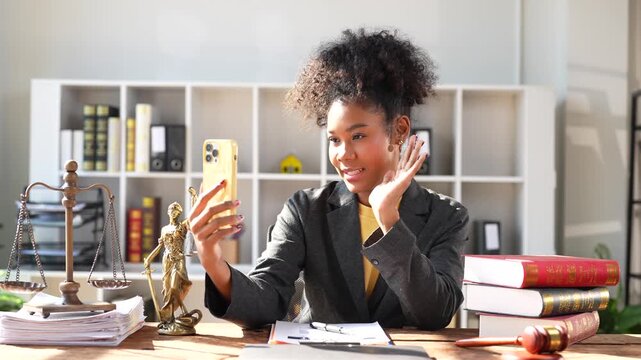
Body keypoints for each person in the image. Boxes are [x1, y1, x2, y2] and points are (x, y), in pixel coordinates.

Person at [188, 28, 470, 330]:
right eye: (334, 140)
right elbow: (267, 300)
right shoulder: (305, 209)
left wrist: (389, 221)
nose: (343, 154)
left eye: (358, 136)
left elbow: (435, 313)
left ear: (399, 130)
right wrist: (212, 261)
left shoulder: (446, 216)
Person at [144, 201, 202, 335]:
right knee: (167, 289)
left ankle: (181, 311)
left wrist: (193, 198)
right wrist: (149, 259)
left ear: (179, 214)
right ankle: (169, 319)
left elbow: (193, 217)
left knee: (175, 288)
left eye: (176, 212)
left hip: (178, 260)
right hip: (167, 260)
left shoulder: (181, 227)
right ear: (168, 212)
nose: (173, 213)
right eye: (172, 210)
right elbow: (161, 246)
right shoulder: (164, 229)